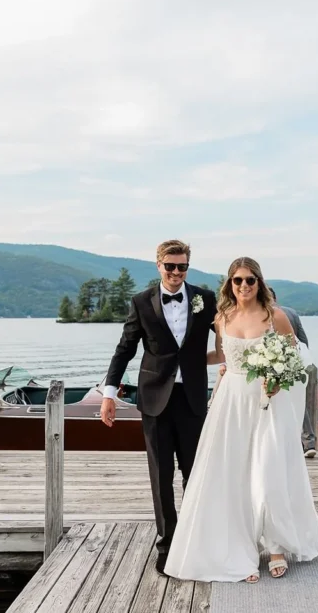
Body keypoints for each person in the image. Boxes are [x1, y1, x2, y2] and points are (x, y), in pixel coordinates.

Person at [164, 257, 318, 583]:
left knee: (268, 471)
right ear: (230, 284)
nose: (243, 286)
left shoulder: (276, 317)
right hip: (232, 402)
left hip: (269, 402)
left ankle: (278, 545)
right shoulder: (222, 318)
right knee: (234, 474)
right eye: (237, 280)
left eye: (250, 280)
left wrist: (278, 380)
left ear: (259, 282)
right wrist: (185, 358)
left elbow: (295, 360)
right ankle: (240, 546)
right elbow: (222, 356)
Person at [101, 239, 218, 574]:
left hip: (193, 398)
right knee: (161, 475)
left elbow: (229, 333)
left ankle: (197, 540)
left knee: (195, 474)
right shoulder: (141, 302)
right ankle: (167, 544)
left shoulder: (205, 299)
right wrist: (109, 393)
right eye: (170, 266)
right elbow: (124, 349)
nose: (177, 272)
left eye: (182, 266)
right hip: (154, 400)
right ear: (159, 266)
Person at [269, 287, 316, 458]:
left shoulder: (266, 314)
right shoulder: (291, 312)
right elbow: (303, 340)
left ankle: (285, 443)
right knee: (296, 402)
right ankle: (308, 442)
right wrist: (302, 360)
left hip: (274, 365)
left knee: (282, 403)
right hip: (295, 363)